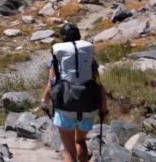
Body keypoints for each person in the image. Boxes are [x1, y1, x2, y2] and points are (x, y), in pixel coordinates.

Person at [41, 23, 108, 162]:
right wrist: (104, 106)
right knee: (80, 141)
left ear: (62, 38)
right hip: (88, 105)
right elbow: (99, 84)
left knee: (69, 151)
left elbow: (51, 83)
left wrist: (44, 102)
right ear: (79, 36)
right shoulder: (89, 58)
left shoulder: (57, 58)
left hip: (65, 106)